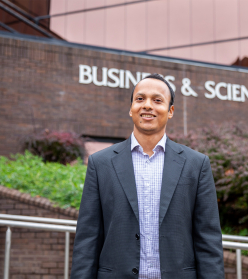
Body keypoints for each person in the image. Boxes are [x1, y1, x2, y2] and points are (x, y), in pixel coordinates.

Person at [71, 73, 224, 279]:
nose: (147, 106)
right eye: (140, 99)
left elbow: (208, 240)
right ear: (131, 108)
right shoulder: (101, 163)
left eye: (157, 100)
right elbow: (87, 239)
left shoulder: (196, 164)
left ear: (170, 111)